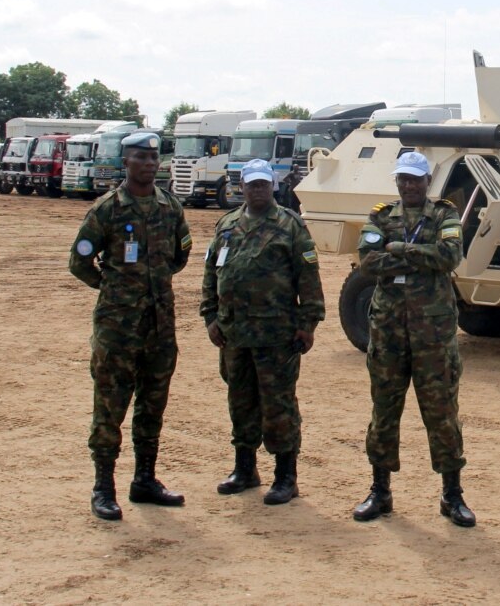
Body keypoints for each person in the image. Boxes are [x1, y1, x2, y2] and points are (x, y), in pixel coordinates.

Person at [68, 132, 192, 521]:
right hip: (117, 330)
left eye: (154, 159)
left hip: (160, 327)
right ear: (126, 163)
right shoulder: (107, 209)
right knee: (110, 407)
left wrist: (151, 285)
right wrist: (114, 289)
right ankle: (103, 487)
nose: (150, 165)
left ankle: (145, 480)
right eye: (141, 158)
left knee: (152, 406)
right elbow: (79, 262)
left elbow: (179, 254)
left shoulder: (169, 207)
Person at [352, 151, 475, 527]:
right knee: (384, 412)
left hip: (433, 335)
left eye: (415, 179)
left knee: (441, 414)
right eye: (403, 179)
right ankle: (380, 491)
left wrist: (400, 249)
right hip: (388, 331)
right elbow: (368, 260)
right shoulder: (380, 216)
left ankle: (452, 496)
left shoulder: (445, 215)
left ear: (427, 182)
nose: (408, 185)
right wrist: (420, 256)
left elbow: (450, 255)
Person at [200, 159, 325, 505]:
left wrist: (308, 324)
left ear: (273, 186)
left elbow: (308, 278)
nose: (257, 190)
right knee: (240, 401)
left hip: (277, 335)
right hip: (234, 334)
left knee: (278, 405)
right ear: (241, 186)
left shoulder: (290, 225)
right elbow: (211, 273)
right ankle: (245, 469)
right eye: (251, 185)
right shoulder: (226, 225)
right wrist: (210, 316)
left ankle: (286, 476)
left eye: (263, 185)